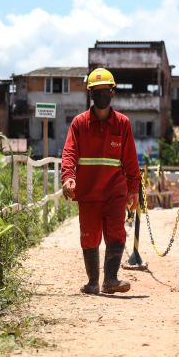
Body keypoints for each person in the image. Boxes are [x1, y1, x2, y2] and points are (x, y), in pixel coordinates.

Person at [61, 68, 141, 294]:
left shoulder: (122, 124)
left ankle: (111, 280)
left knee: (116, 232)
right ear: (90, 95)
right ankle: (93, 283)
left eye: (105, 91)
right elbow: (69, 153)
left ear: (112, 93)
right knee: (89, 236)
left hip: (115, 192)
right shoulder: (79, 124)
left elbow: (130, 160)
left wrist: (133, 190)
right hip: (88, 193)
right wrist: (68, 178)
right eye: (96, 91)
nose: (101, 95)